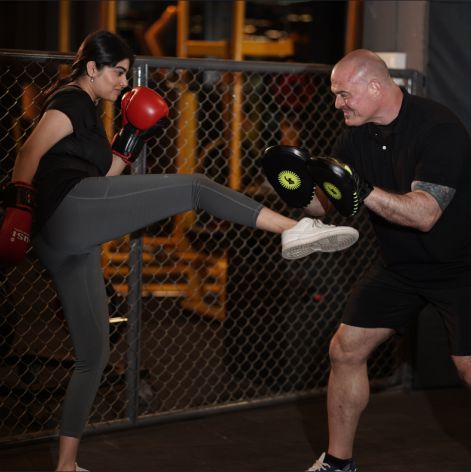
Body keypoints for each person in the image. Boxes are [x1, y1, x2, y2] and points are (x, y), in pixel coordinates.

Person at [0, 31, 359, 471]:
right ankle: (293, 229)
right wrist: (18, 208)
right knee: (195, 186)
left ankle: (66, 466)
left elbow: (106, 174)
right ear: (92, 68)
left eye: (127, 74)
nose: (124, 82)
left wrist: (132, 135)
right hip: (68, 209)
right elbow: (29, 152)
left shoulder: (90, 111)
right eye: (118, 72)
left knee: (93, 355)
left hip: (67, 238)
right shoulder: (71, 100)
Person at [266, 49, 471, 472]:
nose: (337, 103)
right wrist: (297, 190)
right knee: (345, 349)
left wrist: (361, 186)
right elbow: (328, 203)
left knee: (468, 367)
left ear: (376, 86)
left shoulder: (438, 128)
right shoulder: (355, 136)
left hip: (462, 267)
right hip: (400, 267)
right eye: (335, 95)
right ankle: (338, 464)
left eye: (344, 94)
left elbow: (425, 214)